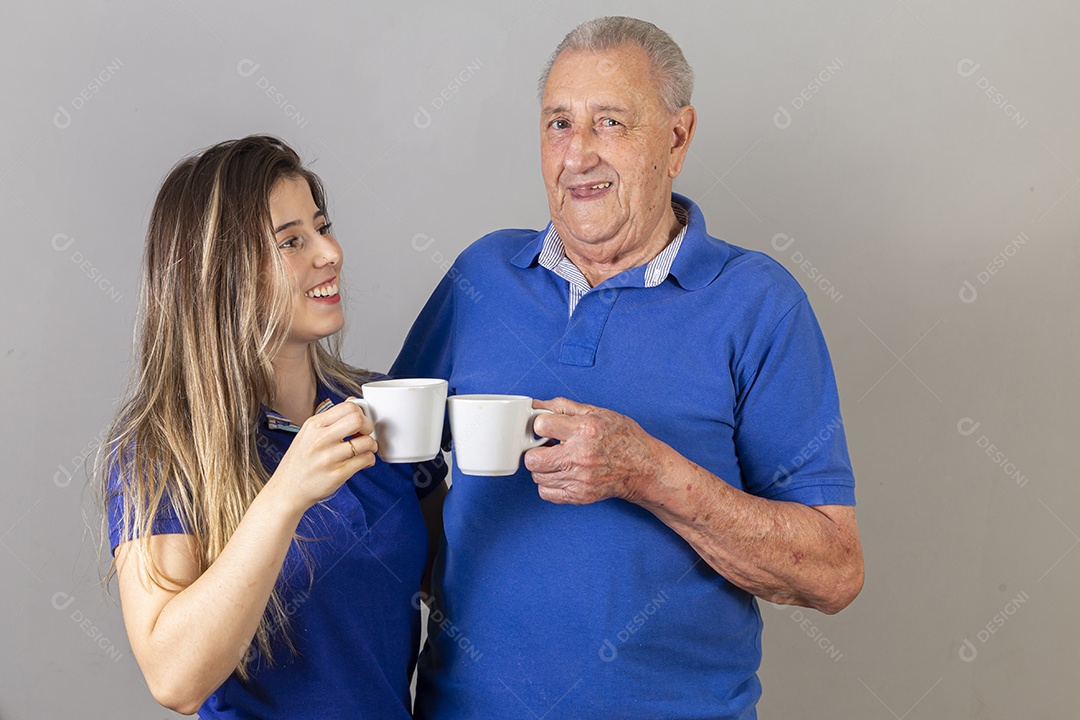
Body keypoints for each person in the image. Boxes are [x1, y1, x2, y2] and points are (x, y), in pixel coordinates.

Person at [391, 16, 864, 719]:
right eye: (558, 124)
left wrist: (647, 473)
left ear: (677, 138)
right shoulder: (481, 277)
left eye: (609, 122)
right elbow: (399, 474)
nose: (577, 154)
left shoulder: (758, 302)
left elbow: (833, 570)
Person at [100, 135, 446, 718]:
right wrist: (286, 493)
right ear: (221, 275)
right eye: (291, 241)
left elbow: (459, 586)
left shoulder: (380, 409)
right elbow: (174, 679)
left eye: (321, 225)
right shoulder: (161, 450)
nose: (330, 252)